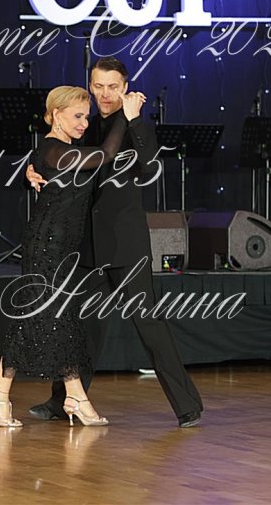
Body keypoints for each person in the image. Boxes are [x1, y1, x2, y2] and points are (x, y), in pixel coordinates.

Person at [26, 57, 204, 428]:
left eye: (113, 86)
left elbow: (149, 166)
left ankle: (188, 405)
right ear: (90, 86)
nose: (105, 94)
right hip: (89, 242)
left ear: (125, 87)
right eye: (98, 86)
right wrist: (33, 170)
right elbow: (56, 156)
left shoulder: (136, 124)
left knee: (149, 324)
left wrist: (133, 119)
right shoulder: (84, 125)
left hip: (126, 244)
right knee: (84, 327)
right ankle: (62, 402)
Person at [0, 85, 146, 428]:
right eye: (77, 116)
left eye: (86, 116)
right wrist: (125, 116)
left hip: (64, 247)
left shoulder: (60, 150)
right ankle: (21, 394)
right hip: (47, 246)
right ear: (56, 114)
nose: (84, 123)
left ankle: (59, 395)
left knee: (59, 320)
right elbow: (105, 154)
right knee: (44, 318)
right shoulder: (55, 150)